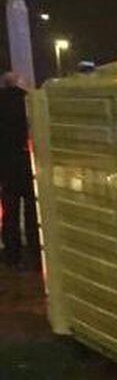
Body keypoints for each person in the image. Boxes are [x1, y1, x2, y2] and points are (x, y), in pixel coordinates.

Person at [0, 71, 38, 267]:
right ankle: (35, 251)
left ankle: (11, 253)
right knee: (32, 209)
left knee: (10, 210)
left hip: (6, 166)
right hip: (27, 162)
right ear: (19, 83)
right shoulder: (29, 101)